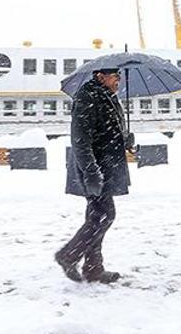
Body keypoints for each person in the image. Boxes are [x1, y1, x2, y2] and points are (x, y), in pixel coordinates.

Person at [55, 68, 131, 284]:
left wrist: (126, 140)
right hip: (94, 168)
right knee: (105, 215)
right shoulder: (88, 97)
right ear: (100, 76)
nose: (118, 80)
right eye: (115, 76)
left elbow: (106, 131)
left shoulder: (107, 97)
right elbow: (80, 138)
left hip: (104, 166)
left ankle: (93, 268)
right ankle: (69, 255)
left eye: (120, 76)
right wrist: (91, 171)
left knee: (97, 216)